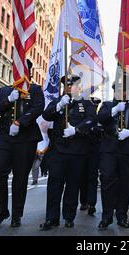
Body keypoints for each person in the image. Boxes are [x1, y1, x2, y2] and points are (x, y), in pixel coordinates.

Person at [0, 60, 44, 228]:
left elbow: (38, 107)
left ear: (29, 72)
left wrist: (20, 122)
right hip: (5, 137)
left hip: (26, 138)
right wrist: (7, 100)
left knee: (20, 177)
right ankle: (0, 211)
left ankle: (16, 214)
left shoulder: (35, 90)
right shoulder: (4, 90)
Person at [40, 75, 96, 230]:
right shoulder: (59, 101)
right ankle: (51, 218)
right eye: (66, 85)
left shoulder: (86, 103)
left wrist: (76, 130)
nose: (69, 87)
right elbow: (46, 115)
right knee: (54, 185)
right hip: (58, 151)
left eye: (72, 85)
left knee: (72, 185)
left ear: (79, 87)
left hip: (77, 152)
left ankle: (69, 217)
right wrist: (58, 106)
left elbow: (92, 120)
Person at [97, 82, 129, 230]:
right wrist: (114, 110)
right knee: (107, 181)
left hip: (128, 149)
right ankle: (106, 216)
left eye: (124, 90)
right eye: (118, 90)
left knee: (125, 184)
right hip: (109, 149)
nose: (121, 92)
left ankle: (122, 215)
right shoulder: (107, 105)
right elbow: (100, 118)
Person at [79, 98, 102, 216]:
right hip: (82, 149)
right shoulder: (84, 116)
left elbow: (102, 131)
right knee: (82, 177)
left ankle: (92, 203)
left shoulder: (99, 117)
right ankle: (84, 201)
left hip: (94, 151)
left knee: (92, 177)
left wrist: (95, 128)